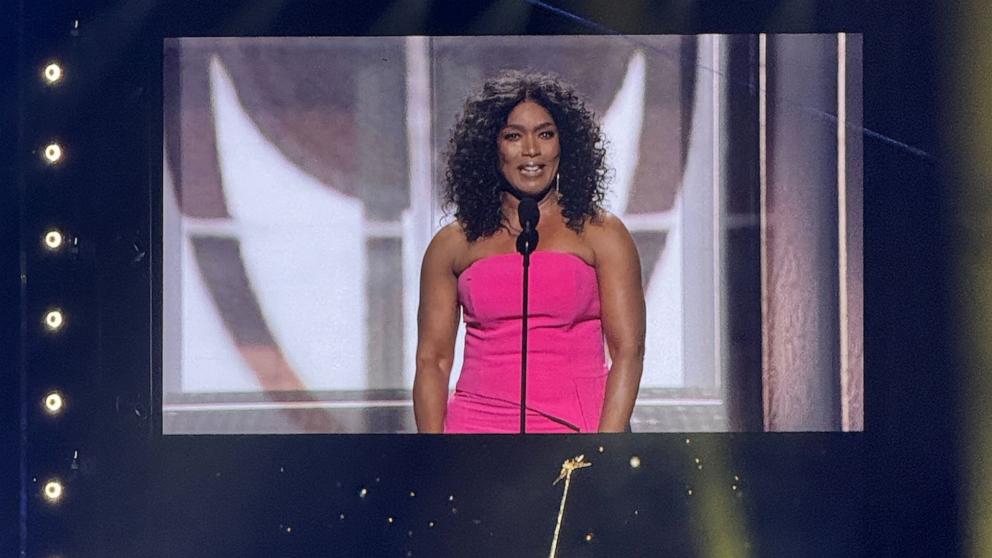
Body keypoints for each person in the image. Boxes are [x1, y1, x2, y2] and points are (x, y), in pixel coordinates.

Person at [413, 71, 645, 433]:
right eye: (513, 136)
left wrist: (606, 451)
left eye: (545, 134)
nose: (532, 150)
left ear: (564, 144)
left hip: (578, 432)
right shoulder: (452, 245)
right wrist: (435, 456)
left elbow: (627, 352)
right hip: (475, 434)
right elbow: (433, 361)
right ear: (491, 147)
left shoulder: (601, 233)